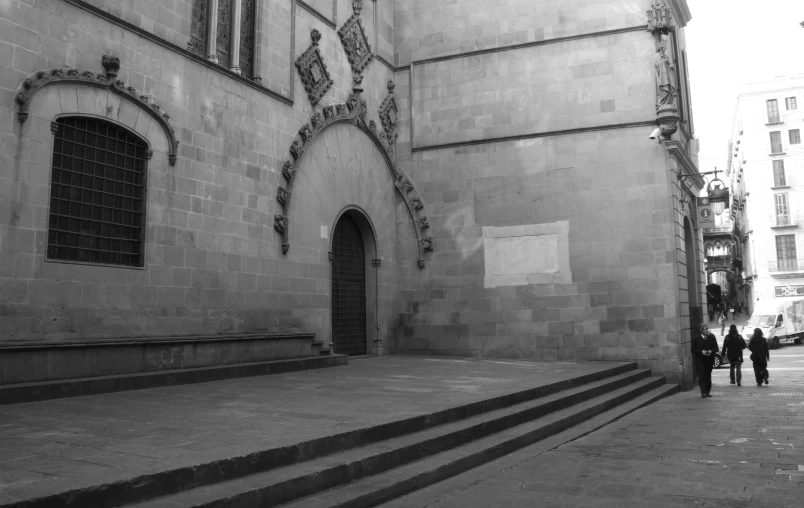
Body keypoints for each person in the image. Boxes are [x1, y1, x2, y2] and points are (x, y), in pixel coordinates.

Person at [692, 323, 719, 397]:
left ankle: (707, 391)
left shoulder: (712, 337)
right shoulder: (696, 338)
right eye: (706, 329)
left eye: (707, 328)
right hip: (700, 360)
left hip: (709, 360)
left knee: (708, 375)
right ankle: (703, 392)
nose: (708, 330)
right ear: (701, 330)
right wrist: (701, 352)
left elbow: (716, 348)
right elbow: (693, 349)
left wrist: (711, 351)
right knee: (702, 376)